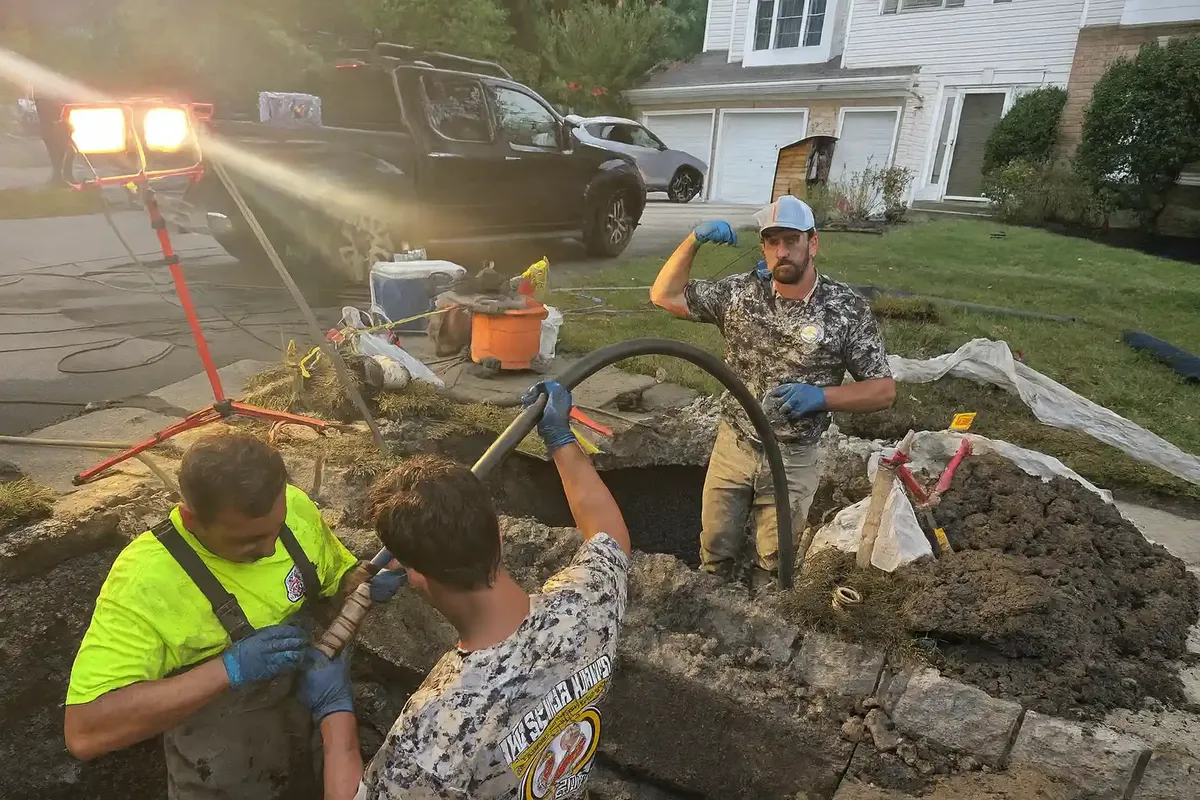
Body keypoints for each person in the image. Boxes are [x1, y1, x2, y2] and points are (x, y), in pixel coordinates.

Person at [299, 380, 632, 800]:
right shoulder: (586, 607)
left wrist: (334, 712)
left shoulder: (437, 731)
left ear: (413, 574)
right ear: (497, 530)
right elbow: (609, 535)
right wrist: (561, 440)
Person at [63, 432, 407, 800]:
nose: (270, 548)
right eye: (248, 542)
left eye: (277, 529)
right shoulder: (146, 580)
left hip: (314, 765)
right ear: (191, 519)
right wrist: (227, 670)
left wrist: (358, 585)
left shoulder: (292, 507)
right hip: (225, 782)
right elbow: (84, 731)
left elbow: (332, 579)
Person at [649, 195, 896, 589]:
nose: (783, 252)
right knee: (715, 547)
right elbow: (664, 294)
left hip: (795, 456)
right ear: (763, 247)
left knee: (776, 558)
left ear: (812, 243)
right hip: (735, 445)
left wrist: (822, 397)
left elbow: (883, 390)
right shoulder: (741, 294)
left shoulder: (845, 309)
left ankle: (766, 617)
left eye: (792, 241)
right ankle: (714, 606)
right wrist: (693, 239)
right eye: (773, 242)